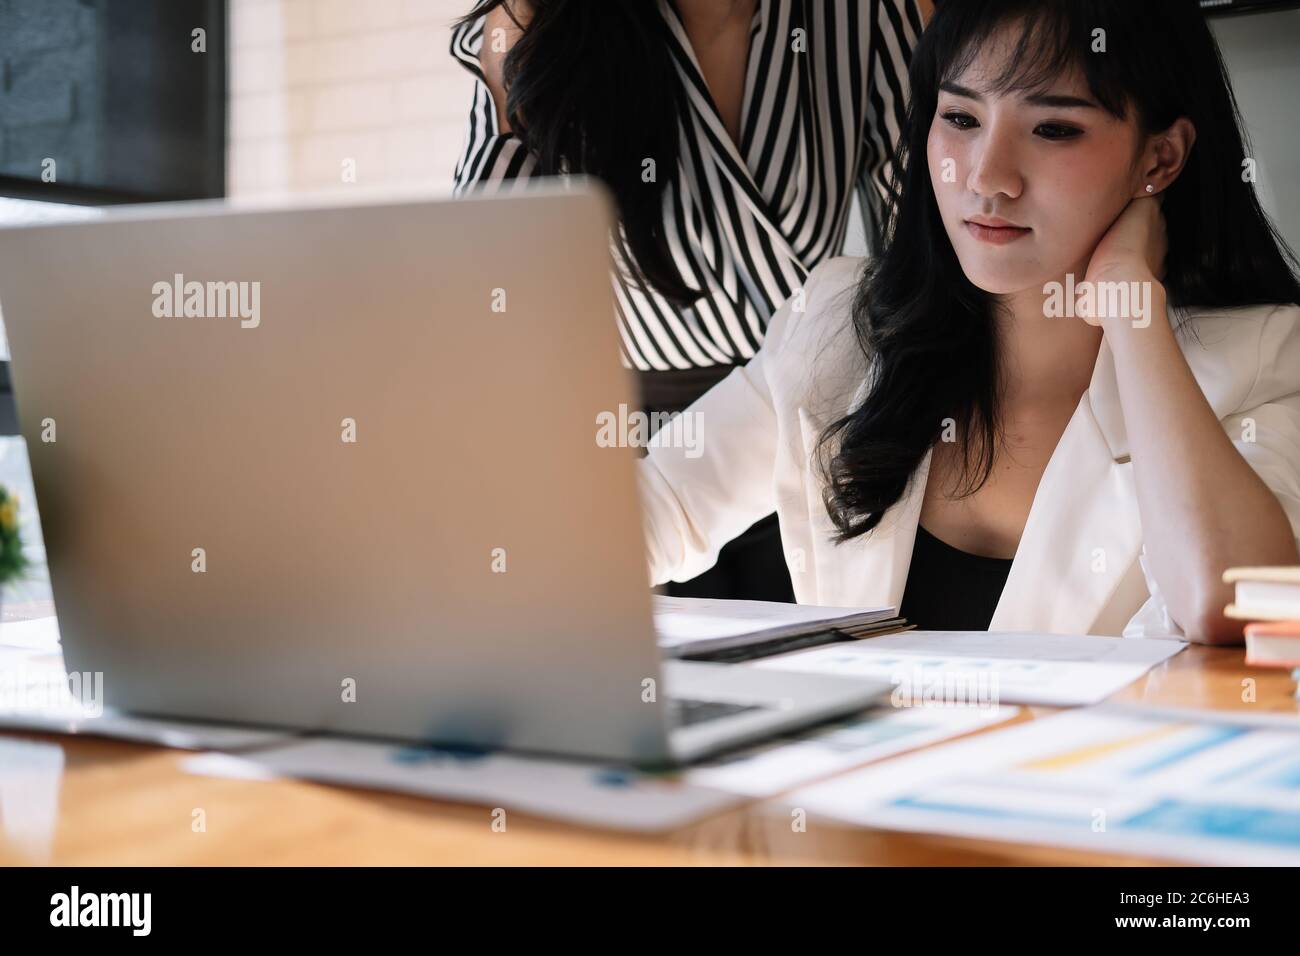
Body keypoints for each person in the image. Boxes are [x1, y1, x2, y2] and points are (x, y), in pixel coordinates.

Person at [638, 0, 1300, 642]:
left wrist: (1131, 302)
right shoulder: (844, 323)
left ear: (1159, 159)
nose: (988, 176)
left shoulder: (1265, 356)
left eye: (1054, 128)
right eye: (959, 117)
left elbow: (1228, 604)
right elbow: (648, 513)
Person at [450, 0, 931, 602]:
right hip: (631, 452)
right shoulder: (546, 24)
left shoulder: (865, 16)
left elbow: (928, 238)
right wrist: (510, 70)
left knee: (812, 673)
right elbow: (481, 294)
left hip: (804, 424)